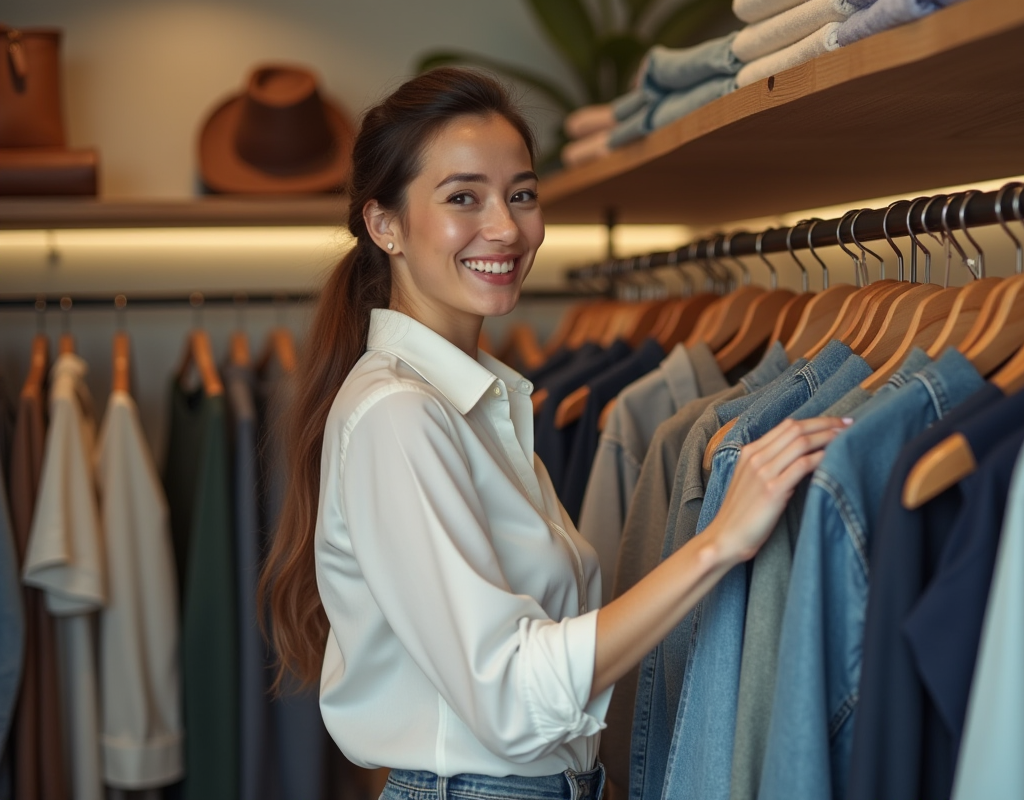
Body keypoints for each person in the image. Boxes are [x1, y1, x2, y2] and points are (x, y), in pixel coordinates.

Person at [260, 67, 846, 800]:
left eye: (522, 194)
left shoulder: (474, 401)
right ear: (384, 225)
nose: (506, 227)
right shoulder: (399, 415)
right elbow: (507, 691)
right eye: (463, 197)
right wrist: (718, 543)